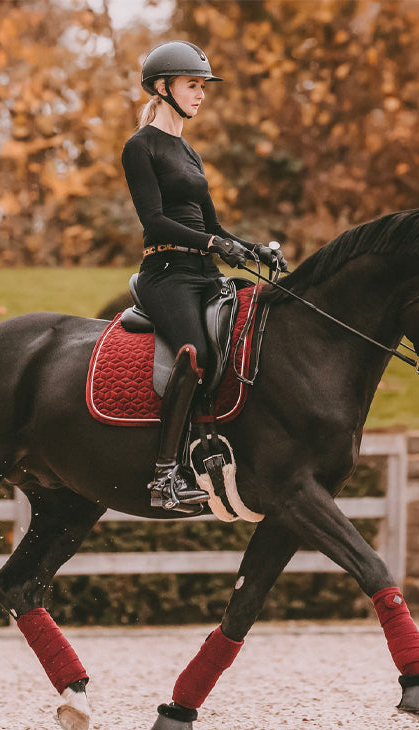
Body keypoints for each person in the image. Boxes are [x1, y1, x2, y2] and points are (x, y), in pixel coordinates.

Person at [121, 40, 283, 512]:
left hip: (204, 272)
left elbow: (211, 227)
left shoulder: (189, 152)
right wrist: (214, 244)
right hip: (166, 274)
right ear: (163, 87)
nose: (201, 94)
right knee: (194, 355)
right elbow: (154, 220)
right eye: (193, 85)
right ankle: (164, 476)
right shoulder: (140, 147)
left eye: (202, 87)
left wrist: (251, 249)